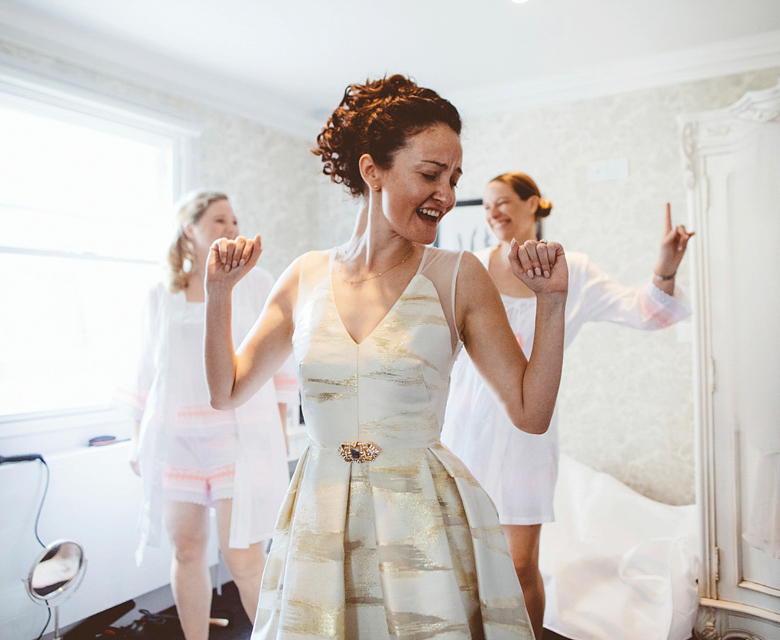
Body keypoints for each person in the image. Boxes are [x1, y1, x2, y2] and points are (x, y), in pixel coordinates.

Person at [203, 75, 569, 639]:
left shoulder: (457, 277)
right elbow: (225, 390)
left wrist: (551, 303)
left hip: (420, 519)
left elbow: (530, 412)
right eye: (430, 174)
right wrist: (219, 295)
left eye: (453, 178)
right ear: (372, 171)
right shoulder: (306, 275)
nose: (446, 195)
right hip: (321, 517)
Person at [440, 171, 694, 637]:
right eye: (488, 205)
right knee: (463, 561)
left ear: (533, 203)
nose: (494, 211)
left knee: (518, 565)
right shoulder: (469, 266)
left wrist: (665, 269)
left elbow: (647, 312)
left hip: (526, 437)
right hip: (464, 430)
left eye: (503, 201)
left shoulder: (571, 270)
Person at [123, 191, 292, 640]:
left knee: (244, 559)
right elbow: (145, 373)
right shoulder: (162, 293)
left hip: (238, 442)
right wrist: (138, 439)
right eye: (219, 220)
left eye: (235, 220)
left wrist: (279, 438)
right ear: (189, 229)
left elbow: (279, 368)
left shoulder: (258, 283)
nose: (232, 228)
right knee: (187, 549)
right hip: (176, 442)